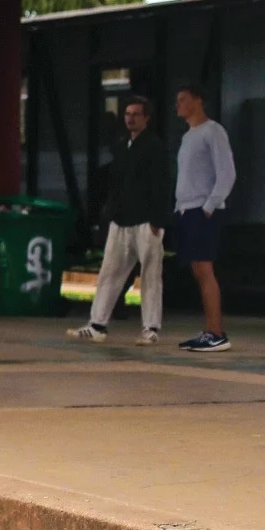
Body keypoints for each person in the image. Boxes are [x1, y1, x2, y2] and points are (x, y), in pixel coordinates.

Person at [68, 96, 171, 344]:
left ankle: (151, 328)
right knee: (109, 272)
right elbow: (116, 182)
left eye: (136, 114)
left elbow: (162, 184)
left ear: (146, 118)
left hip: (146, 221)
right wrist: (110, 211)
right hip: (121, 219)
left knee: (150, 275)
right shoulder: (121, 145)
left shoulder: (155, 147)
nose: (130, 118)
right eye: (127, 114)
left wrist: (158, 219)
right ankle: (97, 324)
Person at [174, 84, 235, 352]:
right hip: (187, 209)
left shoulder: (213, 131)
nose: (178, 104)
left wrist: (210, 206)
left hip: (203, 209)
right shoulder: (188, 136)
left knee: (204, 268)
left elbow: (227, 173)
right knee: (198, 269)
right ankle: (210, 328)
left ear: (198, 100)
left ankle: (216, 332)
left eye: (183, 99)